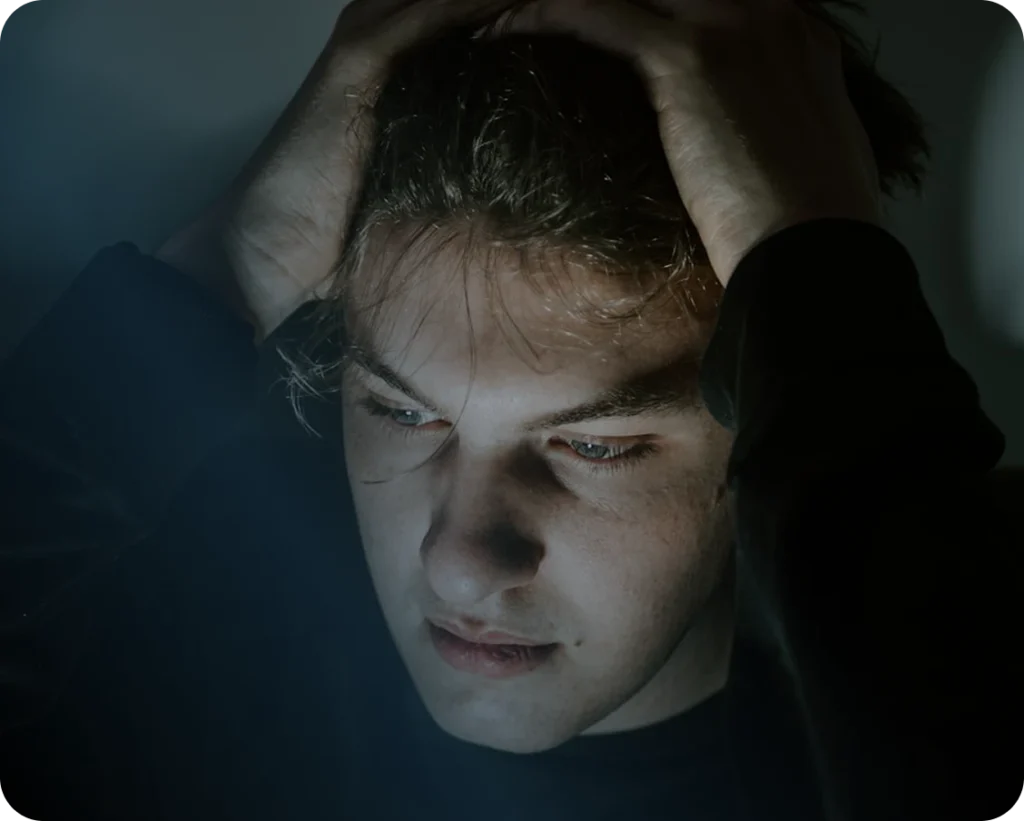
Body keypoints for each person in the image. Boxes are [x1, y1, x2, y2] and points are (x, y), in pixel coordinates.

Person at [0, 0, 1018, 819]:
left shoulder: (906, 713)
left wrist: (820, 291)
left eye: (592, 442)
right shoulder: (162, 636)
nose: (459, 561)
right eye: (402, 413)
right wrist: (240, 261)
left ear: (771, 424)